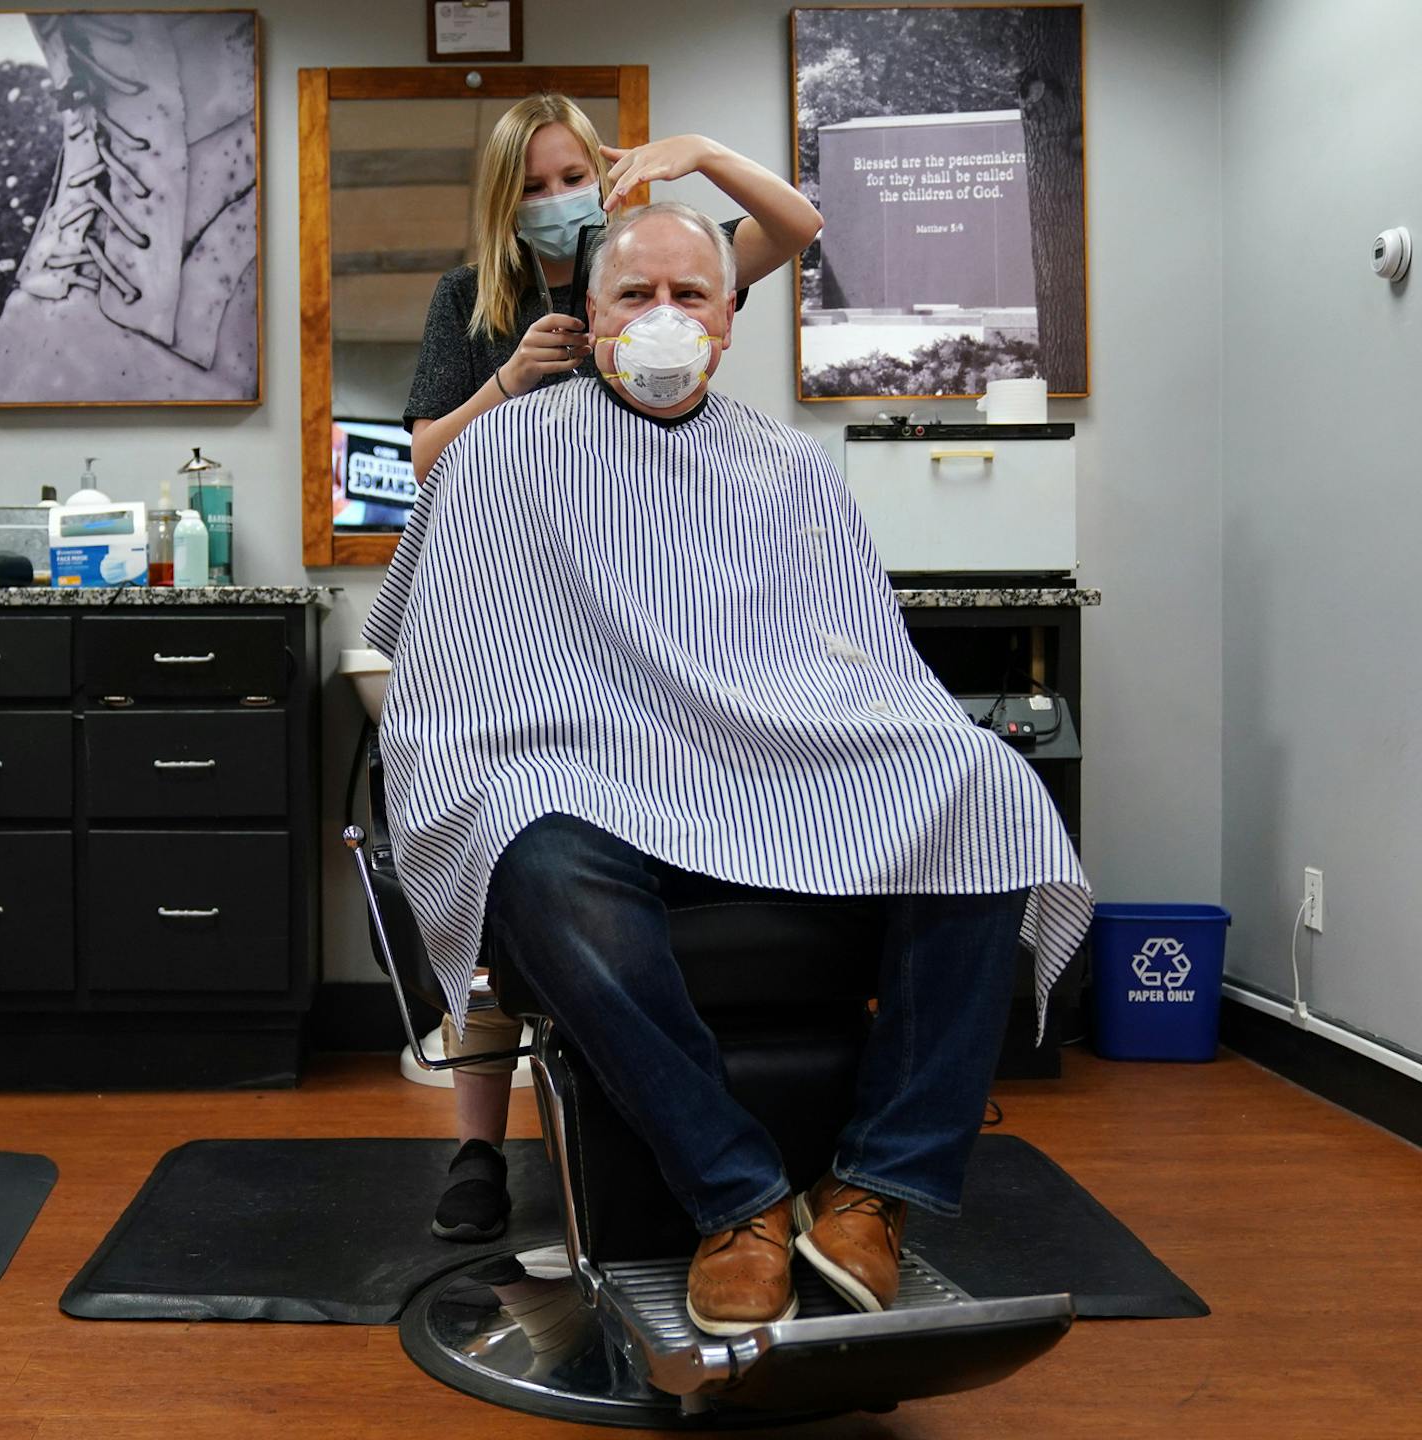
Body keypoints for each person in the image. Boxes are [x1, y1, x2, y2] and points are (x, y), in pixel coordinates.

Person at [365, 202, 1092, 1333]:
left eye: (688, 296)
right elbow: (444, 656)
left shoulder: (789, 467)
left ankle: (874, 1189)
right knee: (521, 834)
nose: (662, 318)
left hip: (776, 769)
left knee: (984, 787)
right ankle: (738, 1195)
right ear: (588, 316)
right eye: (634, 297)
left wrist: (886, 735)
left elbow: (852, 655)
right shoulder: (500, 455)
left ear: (731, 316)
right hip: (591, 780)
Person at [398, 92, 823, 1245]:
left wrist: (703, 156)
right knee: (502, 847)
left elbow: (796, 227)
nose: (553, 202)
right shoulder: (474, 300)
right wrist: (513, 382)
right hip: (531, 626)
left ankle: (746, 1143)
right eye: (529, 187)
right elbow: (426, 458)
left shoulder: (662, 265)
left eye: (568, 176)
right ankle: (481, 1146)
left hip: (660, 625)